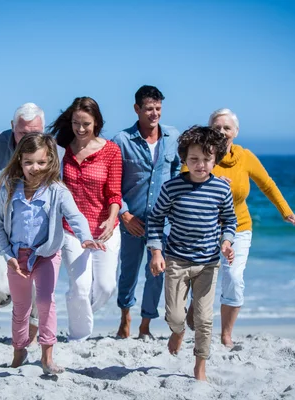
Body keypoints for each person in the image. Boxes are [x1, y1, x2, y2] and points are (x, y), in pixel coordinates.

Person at [0, 132, 105, 374]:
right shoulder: (9, 188)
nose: (35, 168)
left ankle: (47, 356)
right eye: (29, 161)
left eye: (41, 162)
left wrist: (85, 238)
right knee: (20, 308)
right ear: (20, 159)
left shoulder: (57, 190)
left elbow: (75, 216)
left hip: (46, 254)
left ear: (51, 161)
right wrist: (7, 255)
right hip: (16, 256)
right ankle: (19, 352)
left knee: (45, 302)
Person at [185, 108, 295, 348]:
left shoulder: (245, 157)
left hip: (238, 227)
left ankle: (226, 334)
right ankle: (195, 302)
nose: (222, 131)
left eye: (227, 128)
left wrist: (286, 211)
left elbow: (267, 184)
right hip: (203, 228)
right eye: (217, 127)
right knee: (201, 277)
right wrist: (210, 180)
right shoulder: (199, 154)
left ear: (236, 132)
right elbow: (183, 178)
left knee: (234, 277)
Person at [0, 103, 65, 338]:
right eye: (23, 132)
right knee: (2, 286)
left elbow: (60, 193)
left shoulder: (56, 151)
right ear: (13, 126)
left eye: (36, 132)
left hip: (38, 234)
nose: (29, 138)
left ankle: (31, 329)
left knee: (36, 286)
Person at [148, 126, 237, 381]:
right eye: (194, 159)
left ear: (215, 159)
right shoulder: (172, 187)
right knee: (175, 317)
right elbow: (155, 220)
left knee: (204, 320)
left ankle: (200, 368)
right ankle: (178, 331)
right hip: (176, 260)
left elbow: (230, 220)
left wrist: (227, 242)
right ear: (184, 159)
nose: (200, 165)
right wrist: (156, 251)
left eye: (207, 159)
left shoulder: (221, 189)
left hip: (208, 263)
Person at [49, 97, 122, 341]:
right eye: (75, 123)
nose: (80, 129)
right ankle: (77, 339)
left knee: (106, 286)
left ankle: (79, 314)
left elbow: (114, 193)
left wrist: (112, 220)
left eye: (86, 124)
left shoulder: (111, 150)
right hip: (71, 229)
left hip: (104, 228)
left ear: (97, 123)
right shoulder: (61, 149)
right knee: (79, 288)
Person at [112, 85, 181, 339]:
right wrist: (125, 214)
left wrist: (174, 202)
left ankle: (145, 325)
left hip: (162, 222)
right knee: (128, 272)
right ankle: (125, 316)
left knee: (156, 274)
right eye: (149, 108)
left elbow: (176, 169)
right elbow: (112, 182)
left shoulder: (172, 136)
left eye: (158, 108)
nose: (154, 114)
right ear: (137, 109)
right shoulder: (121, 140)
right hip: (132, 221)